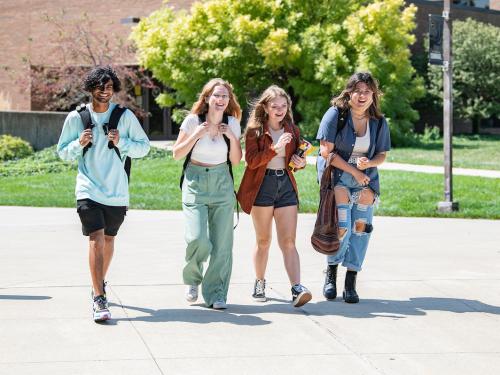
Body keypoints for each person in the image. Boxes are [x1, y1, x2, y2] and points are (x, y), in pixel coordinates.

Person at [57, 65, 150, 322]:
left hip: (117, 192)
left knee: (109, 239)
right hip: (88, 188)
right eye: (100, 87)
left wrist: (122, 142)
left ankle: (99, 283)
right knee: (95, 237)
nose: (105, 91)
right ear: (90, 88)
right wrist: (79, 143)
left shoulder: (124, 116)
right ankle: (99, 297)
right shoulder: (77, 117)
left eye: (109, 87)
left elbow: (144, 148)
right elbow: (62, 152)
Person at [316, 72, 391, 303]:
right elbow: (326, 152)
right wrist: (355, 171)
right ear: (349, 92)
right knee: (342, 226)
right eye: (358, 90)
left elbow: (381, 155)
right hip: (339, 177)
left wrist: (369, 163)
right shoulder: (335, 115)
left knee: (361, 228)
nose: (362, 95)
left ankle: (351, 278)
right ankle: (331, 271)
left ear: (373, 95)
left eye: (367, 91)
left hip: (366, 179)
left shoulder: (378, 121)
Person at [237, 85, 312, 308]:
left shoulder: (292, 129)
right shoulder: (255, 131)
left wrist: (300, 163)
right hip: (263, 185)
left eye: (283, 105)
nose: (280, 110)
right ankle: (259, 282)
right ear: (266, 108)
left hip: (286, 185)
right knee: (263, 241)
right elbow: (251, 162)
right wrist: (275, 148)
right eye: (275, 106)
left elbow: (294, 160)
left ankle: (297, 288)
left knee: (288, 241)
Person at [172, 78, 242, 309]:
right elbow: (177, 154)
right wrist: (196, 135)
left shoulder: (232, 122)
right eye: (216, 96)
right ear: (207, 98)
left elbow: (235, 160)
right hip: (195, 182)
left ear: (229, 100)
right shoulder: (193, 121)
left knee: (223, 244)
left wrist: (232, 137)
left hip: (222, 182)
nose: (221, 100)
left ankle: (216, 293)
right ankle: (192, 279)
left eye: (225, 96)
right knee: (197, 238)